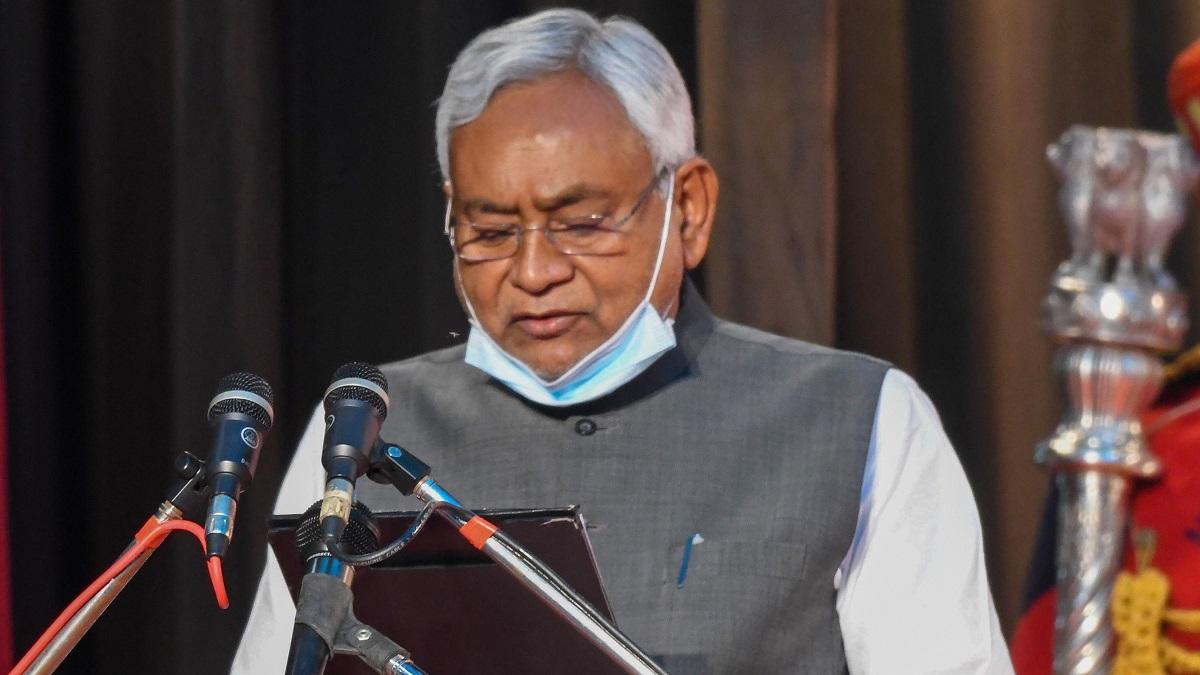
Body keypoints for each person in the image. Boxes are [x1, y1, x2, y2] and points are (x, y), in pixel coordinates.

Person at [233, 8, 1011, 673]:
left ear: (690, 208)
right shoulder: (366, 429)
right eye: (491, 229)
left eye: (581, 223)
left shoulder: (860, 419)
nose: (534, 271)